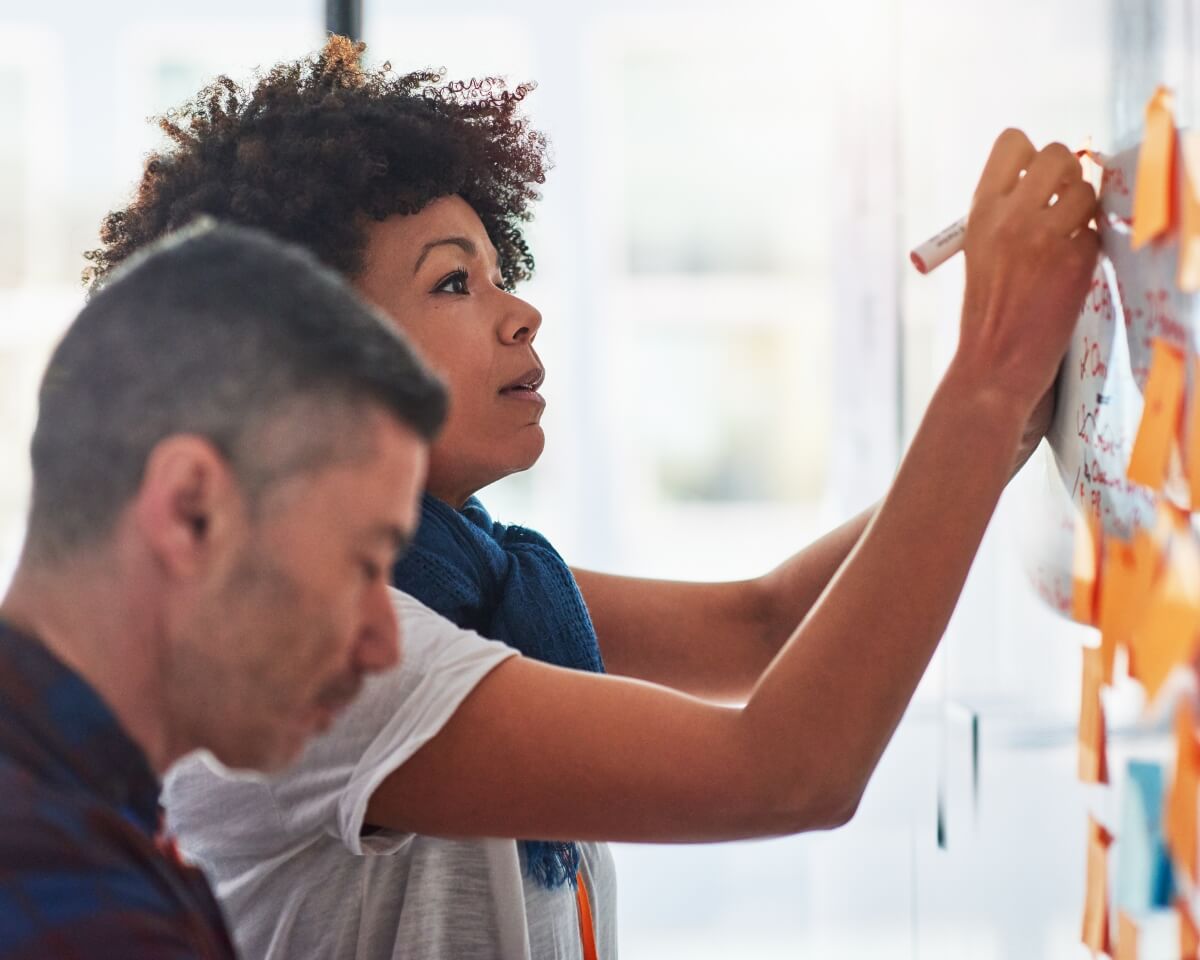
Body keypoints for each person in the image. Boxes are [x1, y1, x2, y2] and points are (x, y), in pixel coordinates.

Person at [87, 37, 1099, 960]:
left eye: (498, 272)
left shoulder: (465, 582)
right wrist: (987, 370)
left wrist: (1004, 423)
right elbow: (786, 771)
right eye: (454, 285)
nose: (521, 312)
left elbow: (763, 626)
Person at [0, 222, 448, 958]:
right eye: (361, 565)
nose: (383, 643)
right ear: (191, 511)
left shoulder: (102, 821)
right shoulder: (74, 906)